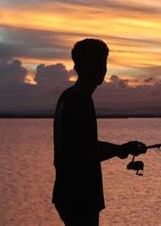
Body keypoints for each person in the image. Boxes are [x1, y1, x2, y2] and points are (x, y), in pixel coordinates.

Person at [52, 38, 147, 226]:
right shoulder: (78, 100)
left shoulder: (71, 96)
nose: (102, 69)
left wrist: (120, 149)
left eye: (103, 63)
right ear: (81, 66)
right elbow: (84, 151)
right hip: (78, 196)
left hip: (70, 194)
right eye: (97, 63)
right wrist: (121, 149)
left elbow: (82, 145)